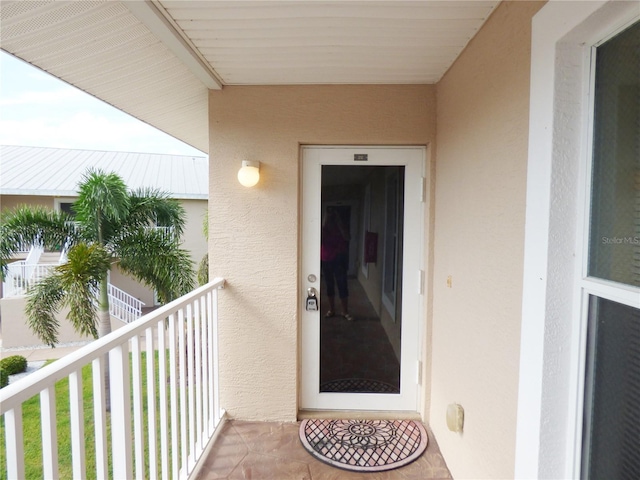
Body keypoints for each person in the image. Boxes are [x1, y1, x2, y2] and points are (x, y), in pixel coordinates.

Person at [321, 207, 353, 321]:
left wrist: (339, 221)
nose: (331, 219)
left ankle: (345, 311)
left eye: (332, 217)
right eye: (329, 217)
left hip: (339, 259)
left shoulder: (340, 228)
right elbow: (320, 238)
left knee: (342, 284)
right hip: (326, 259)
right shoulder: (323, 230)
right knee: (329, 285)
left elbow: (348, 237)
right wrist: (325, 220)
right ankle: (332, 310)